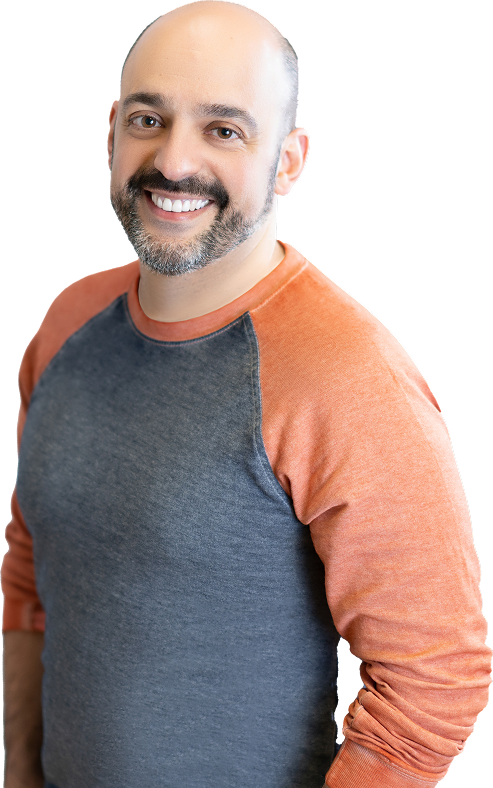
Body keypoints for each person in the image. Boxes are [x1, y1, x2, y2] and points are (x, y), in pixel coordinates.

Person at [1, 2, 491, 787]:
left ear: (288, 161)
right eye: (149, 120)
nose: (174, 161)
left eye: (223, 130)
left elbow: (432, 685)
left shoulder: (348, 374)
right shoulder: (67, 322)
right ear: (111, 134)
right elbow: (32, 573)